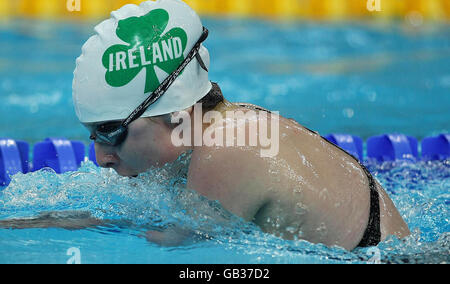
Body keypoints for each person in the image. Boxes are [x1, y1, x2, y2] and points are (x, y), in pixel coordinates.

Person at [1, 0, 410, 251]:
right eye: (93, 135)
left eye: (112, 131)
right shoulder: (229, 125)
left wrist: (53, 221)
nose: (101, 156)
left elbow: (172, 245)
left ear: (176, 115)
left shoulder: (225, 151)